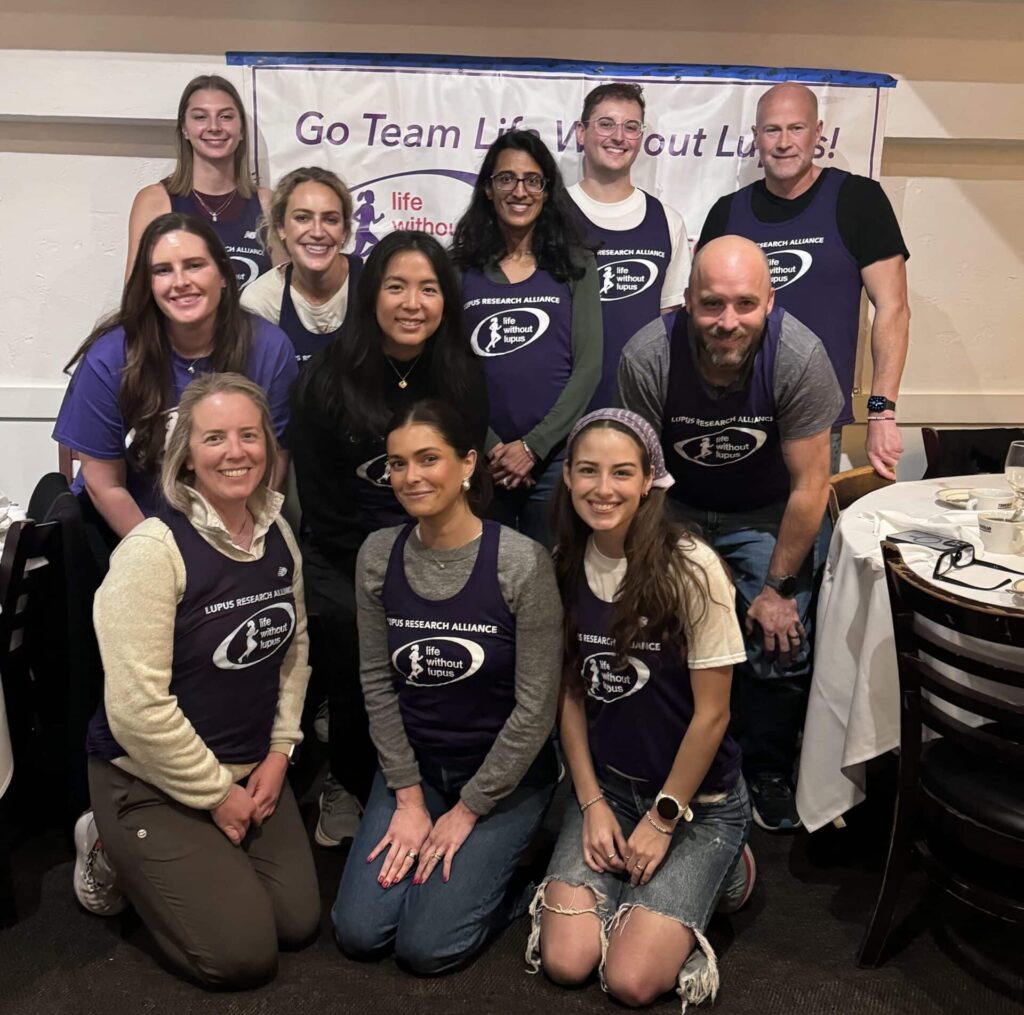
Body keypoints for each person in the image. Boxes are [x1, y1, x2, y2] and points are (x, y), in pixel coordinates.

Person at [72, 373, 319, 988]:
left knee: (297, 922)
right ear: (186, 454)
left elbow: (294, 649)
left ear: (268, 446)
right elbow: (136, 710)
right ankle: (106, 842)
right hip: (149, 778)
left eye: (249, 435)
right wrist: (216, 796)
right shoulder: (153, 552)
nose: (235, 452)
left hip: (249, 763)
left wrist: (281, 752)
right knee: (241, 956)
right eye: (215, 438)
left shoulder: (278, 532)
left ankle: (196, 859)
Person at [526, 408, 751, 1010]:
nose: (604, 489)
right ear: (568, 478)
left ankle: (731, 868)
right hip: (610, 787)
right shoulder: (562, 564)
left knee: (631, 981)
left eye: (622, 473)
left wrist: (662, 817)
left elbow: (714, 717)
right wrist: (591, 800)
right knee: (567, 962)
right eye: (589, 472)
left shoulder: (691, 567)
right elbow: (568, 694)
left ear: (650, 479)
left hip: (696, 800)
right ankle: (645, 878)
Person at [617, 236, 842, 831]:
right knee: (657, 635)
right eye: (712, 304)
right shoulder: (648, 356)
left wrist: (776, 591)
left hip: (768, 511)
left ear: (770, 301)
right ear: (687, 300)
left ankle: (767, 766)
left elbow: (811, 487)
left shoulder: (799, 356)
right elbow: (640, 474)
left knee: (781, 641)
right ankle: (671, 759)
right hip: (679, 506)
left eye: (744, 304)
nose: (728, 321)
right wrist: (653, 563)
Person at [331, 399, 562, 974]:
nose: (411, 477)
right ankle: (452, 858)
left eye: (428, 459)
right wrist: (408, 797)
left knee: (426, 947)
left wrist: (467, 810)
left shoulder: (520, 563)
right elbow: (376, 684)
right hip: (418, 773)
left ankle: (521, 870)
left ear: (466, 465)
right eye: (398, 464)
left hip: (502, 783)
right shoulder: (378, 556)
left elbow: (536, 709)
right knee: (359, 933)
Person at [289, 231, 487, 847]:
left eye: (428, 289)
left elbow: (465, 482)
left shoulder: (462, 372)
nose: (412, 303)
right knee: (355, 637)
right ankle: (347, 780)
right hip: (345, 552)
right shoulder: (326, 376)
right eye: (396, 286)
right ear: (371, 294)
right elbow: (320, 499)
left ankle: (450, 774)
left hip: (436, 543)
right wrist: (386, 569)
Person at [698, 81, 910, 478]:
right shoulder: (727, 213)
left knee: (806, 532)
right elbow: (699, 314)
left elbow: (894, 308)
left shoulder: (858, 200)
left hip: (816, 417)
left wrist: (882, 413)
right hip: (732, 414)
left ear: (819, 133)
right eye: (772, 130)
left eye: (796, 128)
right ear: (756, 137)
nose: (783, 142)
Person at [53, 213, 296, 552]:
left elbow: (274, 459)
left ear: (224, 276)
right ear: (149, 284)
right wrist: (164, 558)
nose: (180, 281)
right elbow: (103, 483)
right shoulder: (109, 358)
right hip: (129, 531)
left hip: (233, 534)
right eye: (163, 270)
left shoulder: (269, 348)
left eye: (195, 265)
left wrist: (243, 538)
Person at [451, 130, 602, 546]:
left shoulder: (576, 264)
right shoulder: (459, 268)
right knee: (484, 578)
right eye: (506, 179)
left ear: (547, 191)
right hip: (481, 457)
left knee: (550, 581)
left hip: (553, 458)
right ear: (487, 188)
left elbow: (588, 368)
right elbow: (452, 368)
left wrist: (533, 446)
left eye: (533, 180)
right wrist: (493, 448)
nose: (520, 191)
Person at [568, 83, 691, 411]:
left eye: (631, 126)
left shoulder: (667, 221)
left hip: (639, 409)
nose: (619, 137)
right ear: (581, 133)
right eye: (606, 124)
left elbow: (671, 326)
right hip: (558, 413)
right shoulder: (550, 215)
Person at [126, 74, 273, 289]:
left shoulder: (268, 204)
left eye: (225, 116)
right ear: (184, 129)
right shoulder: (154, 202)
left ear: (241, 130)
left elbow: (283, 295)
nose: (214, 127)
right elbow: (136, 296)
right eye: (200, 117)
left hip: (252, 324)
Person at [241, 166, 362, 365]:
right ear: (281, 228)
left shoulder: (373, 283)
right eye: (302, 218)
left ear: (345, 231)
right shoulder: (260, 302)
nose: (317, 232)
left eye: (330, 219)